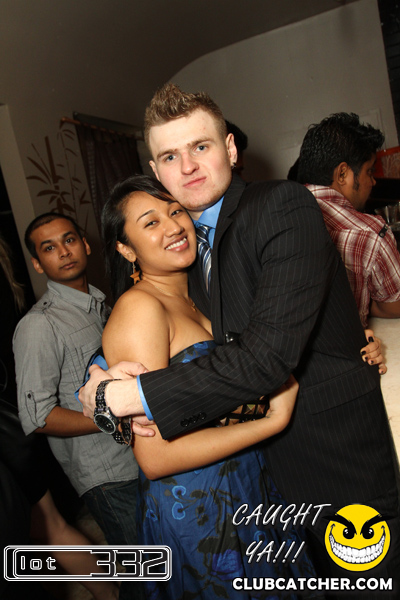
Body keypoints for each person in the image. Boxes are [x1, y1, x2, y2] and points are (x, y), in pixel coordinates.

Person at [80, 84, 399, 593]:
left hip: (330, 460)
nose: (188, 167)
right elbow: (165, 338)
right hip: (253, 482)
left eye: (200, 146)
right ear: (157, 170)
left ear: (230, 149)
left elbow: (266, 354)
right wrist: (97, 381)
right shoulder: (188, 254)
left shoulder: (279, 204)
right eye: (171, 156)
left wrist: (128, 395)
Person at [99, 174, 324, 599]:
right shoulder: (140, 308)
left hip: (249, 484)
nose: (173, 226)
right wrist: (271, 423)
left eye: (176, 211)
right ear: (126, 249)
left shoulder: (201, 290)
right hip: (200, 507)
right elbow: (155, 457)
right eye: (151, 222)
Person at [12, 213, 140, 600]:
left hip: (139, 456)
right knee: (149, 577)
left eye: (68, 240)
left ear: (85, 244)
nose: (63, 252)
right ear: (38, 263)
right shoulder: (40, 325)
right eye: (49, 248)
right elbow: (37, 417)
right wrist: (112, 414)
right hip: (107, 475)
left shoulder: (101, 304)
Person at [295, 112, 400, 328]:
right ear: (342, 174)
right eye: (369, 171)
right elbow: (394, 306)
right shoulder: (370, 232)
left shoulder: (275, 217)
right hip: (350, 347)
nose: (373, 182)